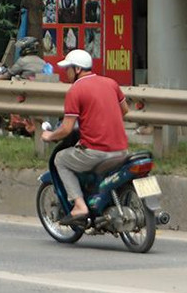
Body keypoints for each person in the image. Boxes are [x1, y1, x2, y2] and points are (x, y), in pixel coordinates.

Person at [42, 49, 129, 222]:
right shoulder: (111, 83)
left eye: (68, 68)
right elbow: (124, 110)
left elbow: (66, 129)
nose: (66, 72)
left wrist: (50, 136)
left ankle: (80, 205)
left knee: (61, 159)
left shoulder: (76, 90)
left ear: (77, 69)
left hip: (97, 153)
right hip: (122, 151)